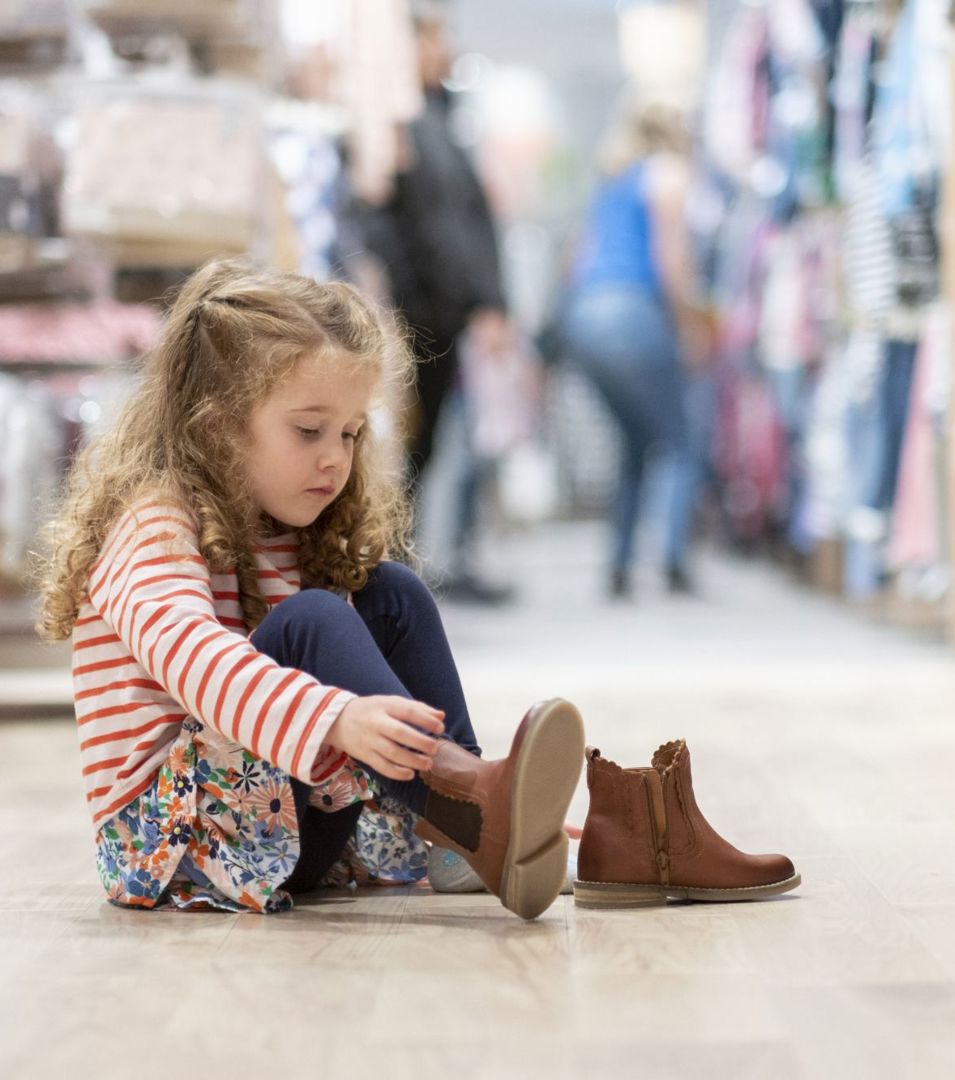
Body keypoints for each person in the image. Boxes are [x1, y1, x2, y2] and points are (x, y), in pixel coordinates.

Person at [35, 258, 585, 920]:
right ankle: (470, 810)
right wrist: (334, 717)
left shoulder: (290, 528)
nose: (336, 456)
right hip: (173, 845)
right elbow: (194, 659)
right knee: (312, 620)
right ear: (218, 423)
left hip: (279, 826)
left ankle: (464, 827)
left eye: (351, 433)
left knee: (391, 593)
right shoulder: (154, 523)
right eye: (308, 430)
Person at [367, 1, 513, 604]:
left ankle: (403, 571)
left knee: (425, 447)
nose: (443, 51)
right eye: (432, 39)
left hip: (443, 315)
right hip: (412, 312)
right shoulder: (393, 122)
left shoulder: (442, 121)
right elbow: (391, 223)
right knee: (402, 446)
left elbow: (472, 221)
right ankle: (389, 573)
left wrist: (491, 302)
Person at [563, 98, 715, 599]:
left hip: (585, 317)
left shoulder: (610, 180)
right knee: (680, 441)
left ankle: (620, 564)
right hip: (633, 314)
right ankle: (673, 562)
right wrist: (691, 323)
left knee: (633, 443)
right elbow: (671, 262)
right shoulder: (667, 173)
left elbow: (575, 260)